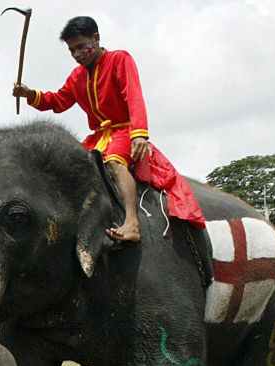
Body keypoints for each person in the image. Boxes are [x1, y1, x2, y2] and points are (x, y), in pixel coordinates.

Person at [12, 15, 203, 243]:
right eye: (72, 50)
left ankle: (132, 223)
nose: (77, 54)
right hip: (97, 138)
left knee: (113, 161)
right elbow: (58, 102)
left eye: (82, 46)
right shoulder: (77, 77)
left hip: (123, 131)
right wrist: (30, 94)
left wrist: (139, 134)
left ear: (96, 38)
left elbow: (134, 96)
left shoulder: (119, 59)